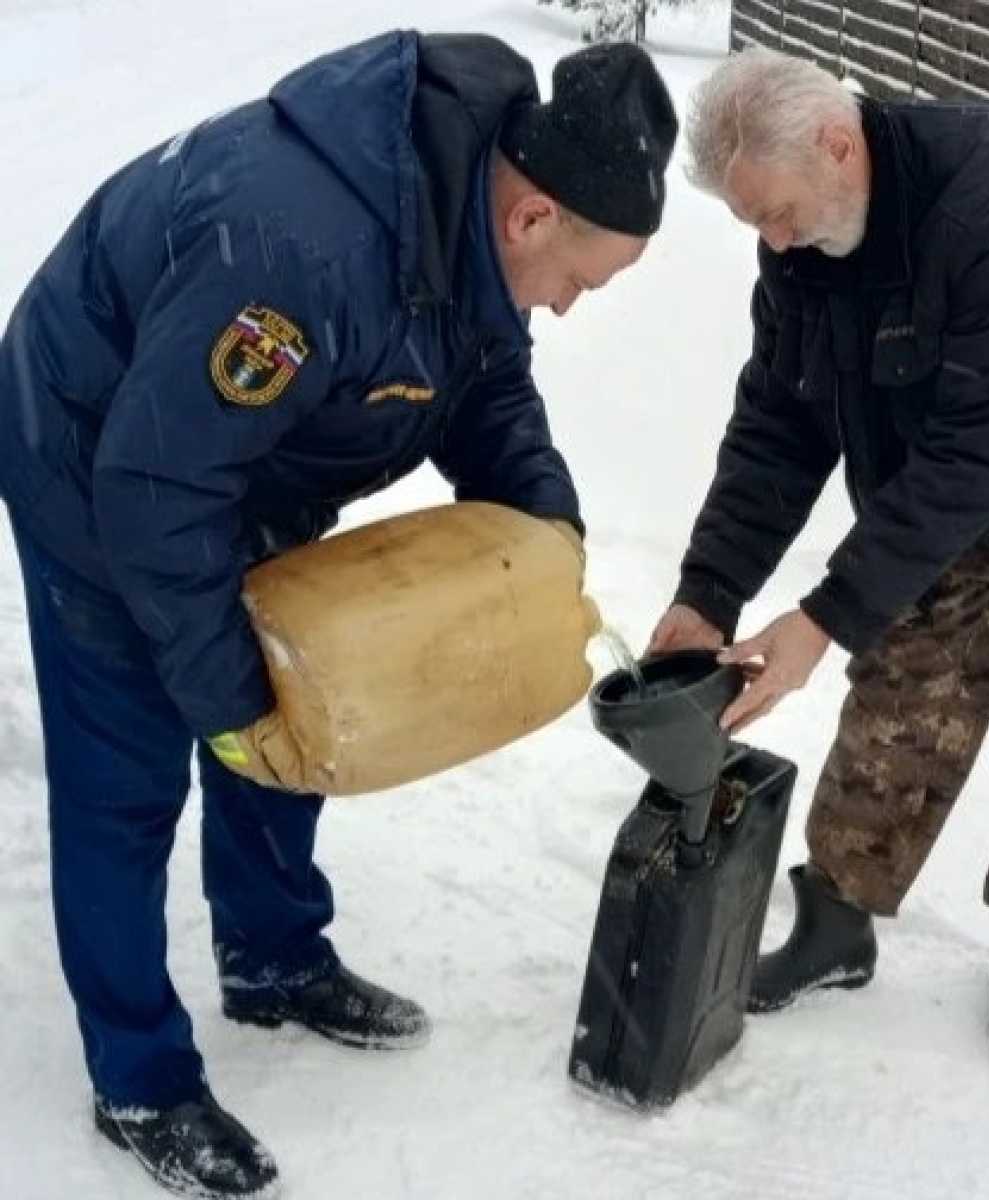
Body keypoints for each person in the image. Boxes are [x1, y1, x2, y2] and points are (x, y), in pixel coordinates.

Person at [0, 28, 676, 1199]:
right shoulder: (299, 252)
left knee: (292, 695)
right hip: (98, 451)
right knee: (138, 759)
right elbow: (154, 491)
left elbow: (486, 377)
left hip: (241, 460)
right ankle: (139, 1077)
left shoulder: (466, 209)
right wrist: (221, 699)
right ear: (532, 220)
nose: (566, 307)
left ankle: (269, 958)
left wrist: (543, 529)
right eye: (581, 279)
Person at [649, 48, 989, 1066]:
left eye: (774, 212)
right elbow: (781, 418)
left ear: (838, 142)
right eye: (750, 220)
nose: (768, 241)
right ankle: (836, 923)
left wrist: (819, 619)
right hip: (969, 491)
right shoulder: (803, 244)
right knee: (901, 689)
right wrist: (711, 592)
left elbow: (983, 446)